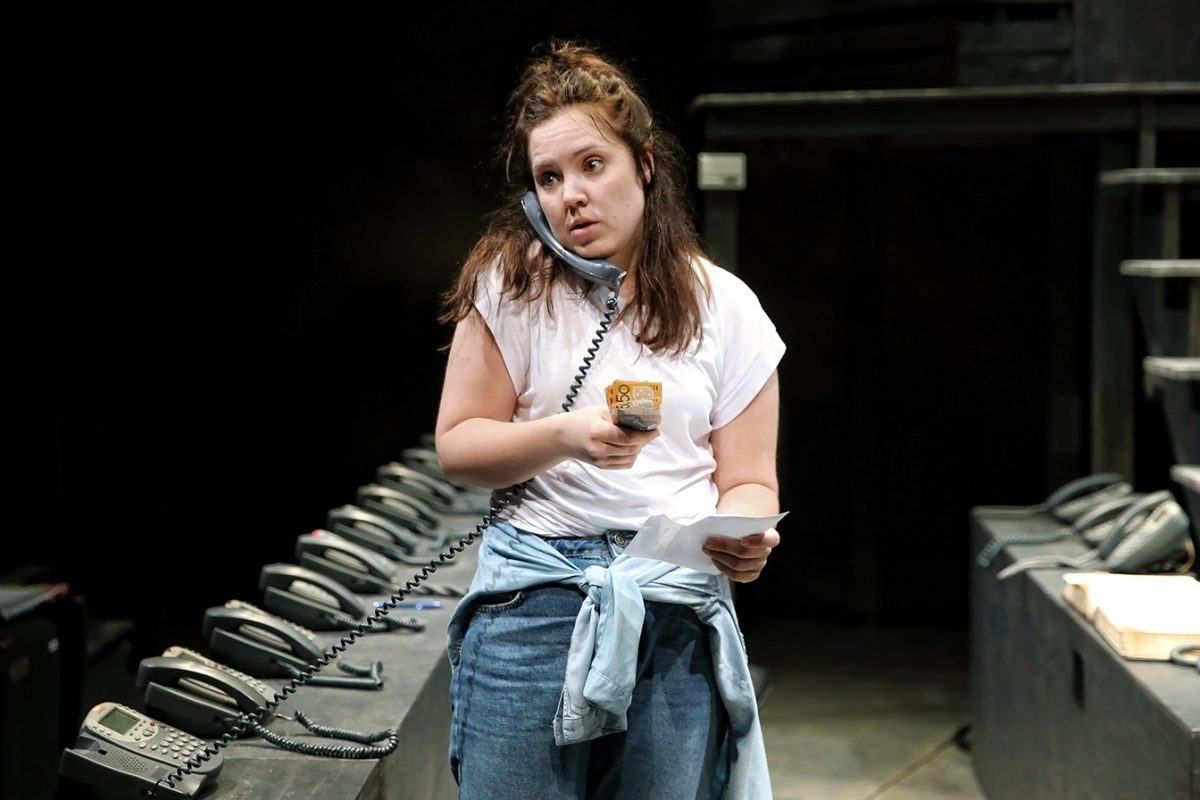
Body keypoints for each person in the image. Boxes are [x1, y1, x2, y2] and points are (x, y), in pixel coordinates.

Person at [435, 40, 785, 800]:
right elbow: (458, 445)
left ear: (645, 164)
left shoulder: (729, 307)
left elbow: (751, 478)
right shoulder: (510, 285)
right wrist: (565, 435)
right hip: (534, 604)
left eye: (592, 165)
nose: (572, 196)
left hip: (672, 609)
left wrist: (747, 533)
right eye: (549, 179)